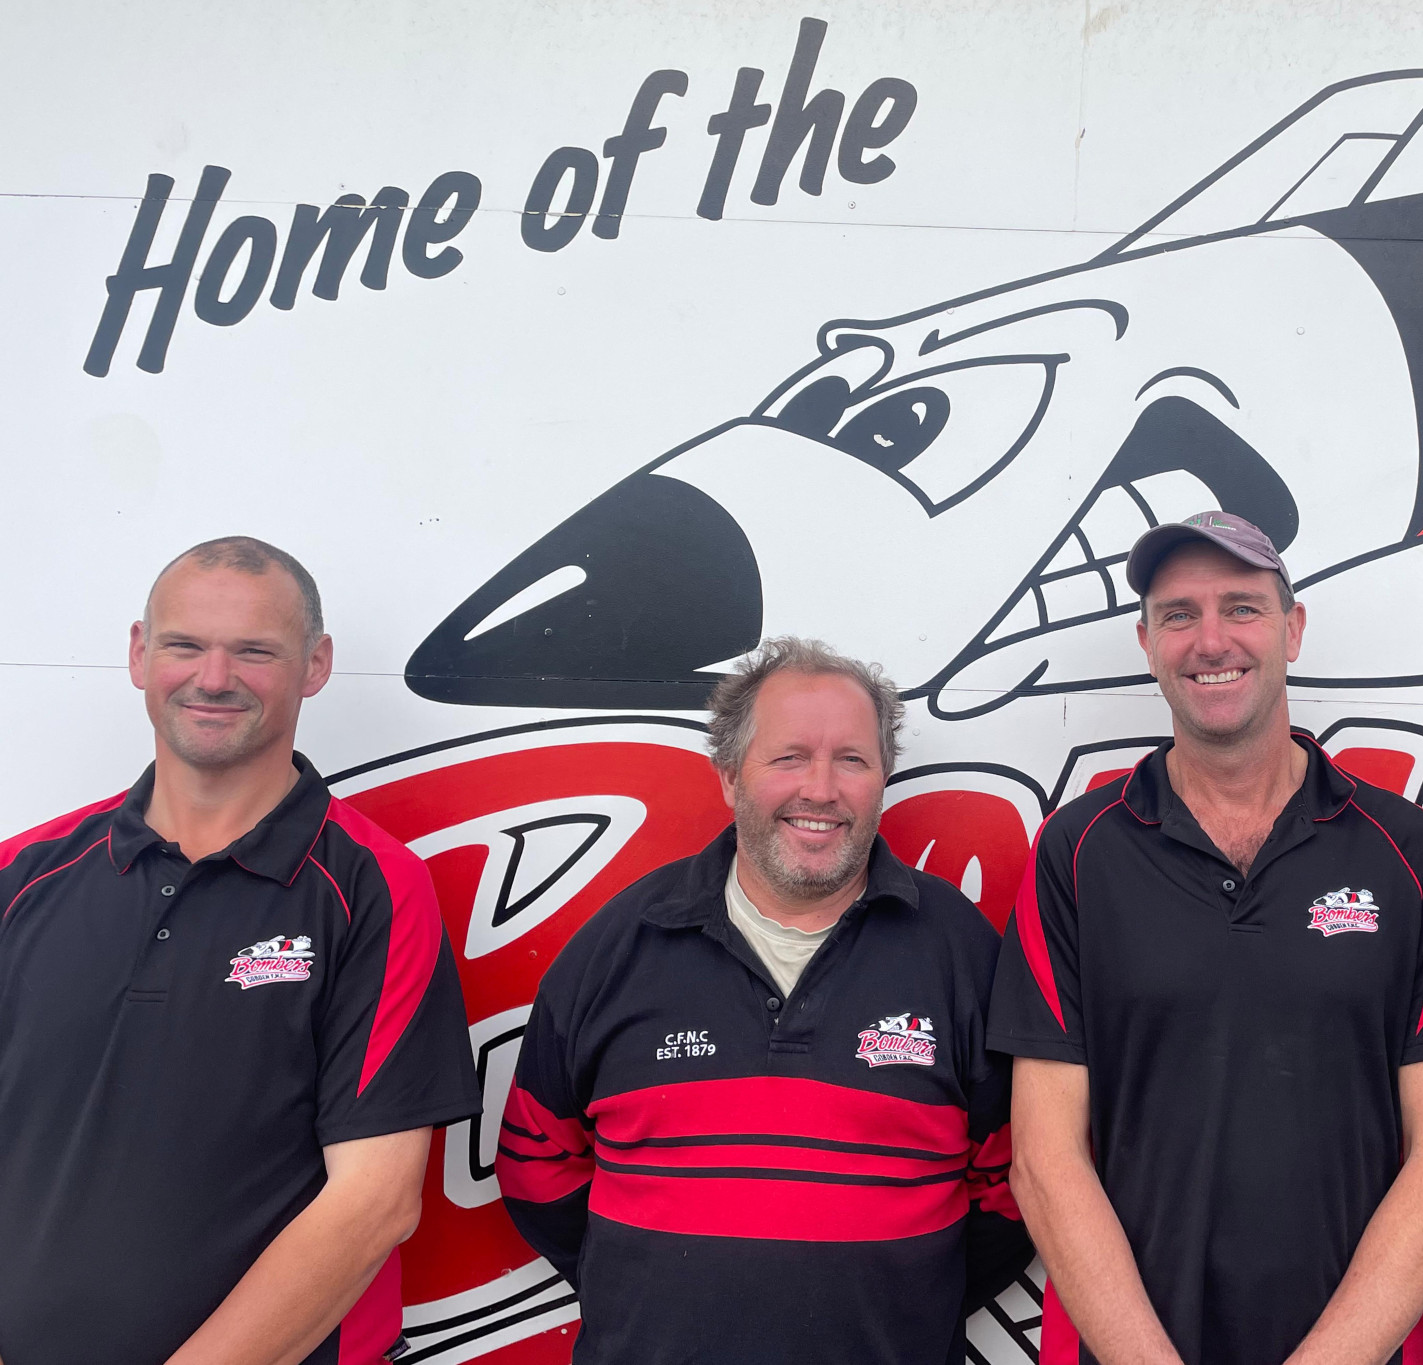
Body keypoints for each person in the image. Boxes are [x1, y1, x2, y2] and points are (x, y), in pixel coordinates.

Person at [990, 510, 1423, 1365]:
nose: (1210, 638)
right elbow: (1044, 1158)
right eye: (1179, 613)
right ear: (1146, 640)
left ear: (1292, 629)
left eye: (1242, 607)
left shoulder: (1405, 851)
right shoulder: (1076, 854)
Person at [0, 537, 481, 1365]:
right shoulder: (21, 874)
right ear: (140, 653)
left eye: (254, 651)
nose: (214, 678)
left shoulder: (372, 888)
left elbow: (374, 1201)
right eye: (185, 644)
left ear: (315, 665)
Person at [498, 637, 1032, 1364]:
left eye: (852, 758)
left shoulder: (959, 952)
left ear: (883, 777)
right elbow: (535, 1157)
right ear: (729, 775)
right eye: (789, 757)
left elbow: (1015, 1182)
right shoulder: (621, 943)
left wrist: (903, 1296)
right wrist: (643, 1287)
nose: (821, 787)